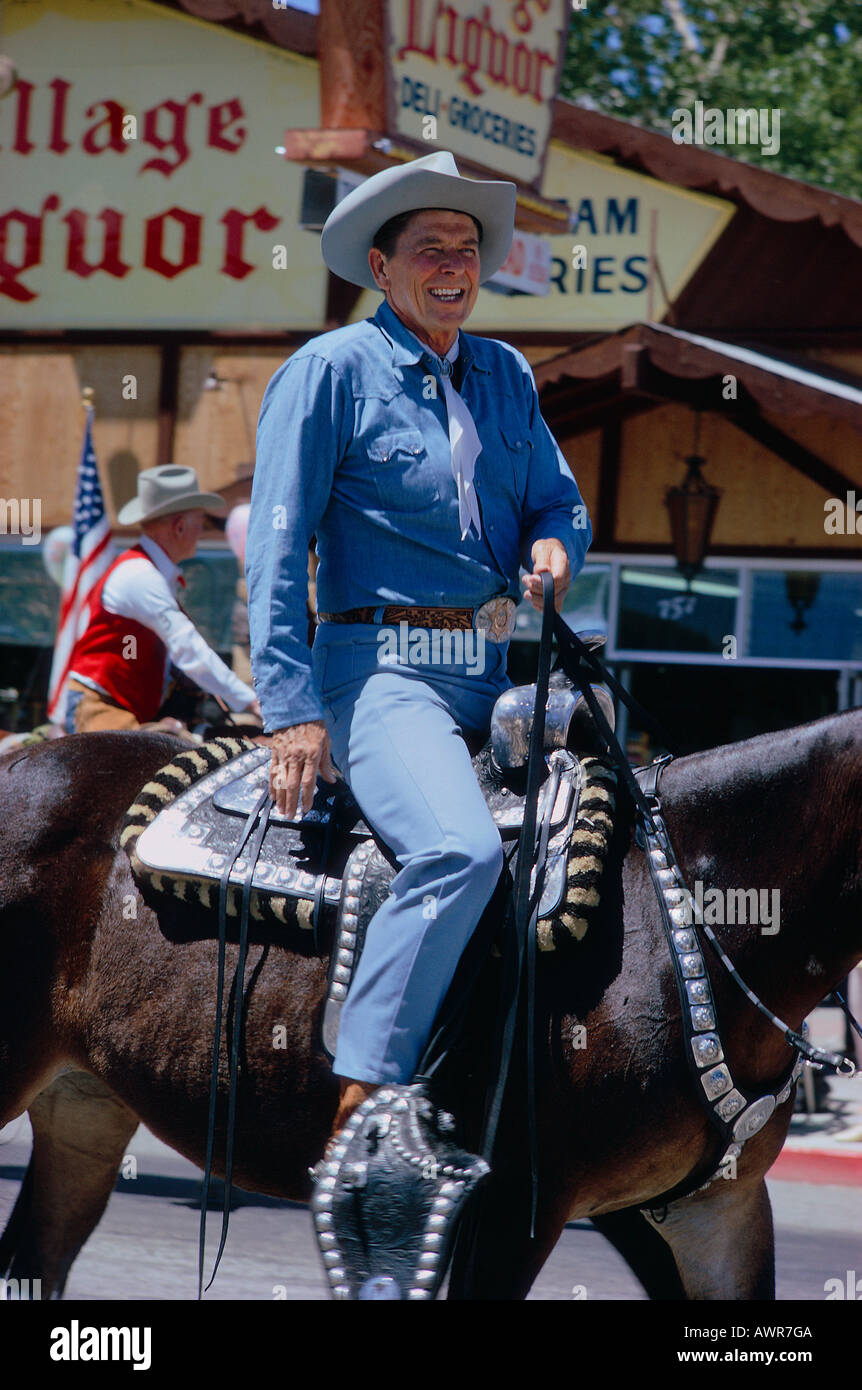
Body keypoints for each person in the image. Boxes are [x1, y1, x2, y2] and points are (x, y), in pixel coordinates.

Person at [247, 151, 592, 1142]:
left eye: (468, 249)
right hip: (385, 666)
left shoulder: (506, 373)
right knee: (456, 848)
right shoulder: (328, 371)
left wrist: (550, 548)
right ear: (383, 267)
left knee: (641, 830)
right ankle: (366, 1094)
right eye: (431, 249)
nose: (454, 266)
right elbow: (276, 543)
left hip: (507, 651)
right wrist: (292, 710)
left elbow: (558, 504)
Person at [66, 464, 260, 733]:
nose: (201, 532)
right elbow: (188, 647)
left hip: (121, 709)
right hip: (98, 709)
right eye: (199, 524)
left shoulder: (150, 572)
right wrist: (249, 700)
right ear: (180, 527)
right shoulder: (140, 575)